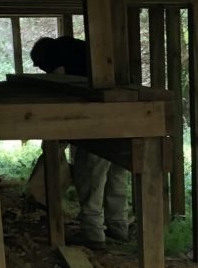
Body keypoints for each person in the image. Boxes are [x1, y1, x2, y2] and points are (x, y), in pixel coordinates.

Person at [30, 36, 130, 251]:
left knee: (91, 175)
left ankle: (93, 233)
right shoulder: (78, 51)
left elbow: (64, 100)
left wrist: (59, 137)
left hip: (97, 122)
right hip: (125, 118)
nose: (43, 71)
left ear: (43, 58)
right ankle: (119, 227)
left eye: (41, 66)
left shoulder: (57, 58)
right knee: (116, 175)